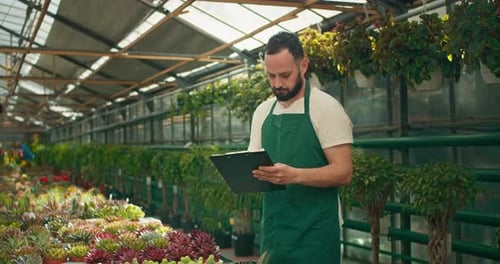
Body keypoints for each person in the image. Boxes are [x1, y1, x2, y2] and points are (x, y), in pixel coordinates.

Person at [248, 31, 353, 263]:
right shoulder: (262, 112)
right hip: (274, 233)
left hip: (315, 235)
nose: (278, 84)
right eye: (271, 76)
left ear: (303, 65)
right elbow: (253, 165)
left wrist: (294, 175)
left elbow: (344, 172)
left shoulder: (326, 108)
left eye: (285, 75)